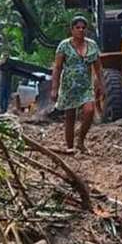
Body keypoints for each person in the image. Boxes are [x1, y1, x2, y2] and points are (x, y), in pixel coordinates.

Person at [50, 15, 105, 154]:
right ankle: (70, 147)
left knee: (89, 111)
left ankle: (80, 140)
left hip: (86, 86)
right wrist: (54, 88)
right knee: (70, 117)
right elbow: (57, 68)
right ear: (72, 29)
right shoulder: (64, 46)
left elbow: (98, 67)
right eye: (78, 28)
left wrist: (101, 84)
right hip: (69, 87)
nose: (81, 30)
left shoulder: (92, 45)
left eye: (83, 28)